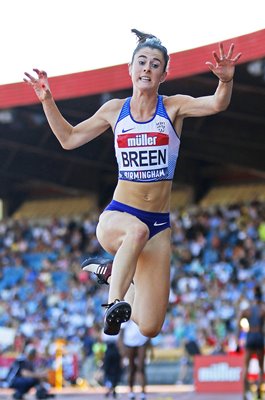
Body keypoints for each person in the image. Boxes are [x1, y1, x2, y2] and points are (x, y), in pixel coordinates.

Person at [24, 28, 241, 337]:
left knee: (150, 325)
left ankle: (111, 273)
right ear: (130, 69)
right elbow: (69, 138)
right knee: (135, 230)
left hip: (158, 226)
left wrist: (226, 80)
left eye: (155, 64)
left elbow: (217, 104)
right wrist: (47, 100)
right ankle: (113, 304)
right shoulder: (115, 110)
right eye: (141, 62)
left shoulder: (174, 107)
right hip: (118, 216)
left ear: (164, 74)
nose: (147, 69)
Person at [238, 285, 265, 400]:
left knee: (246, 367)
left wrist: (239, 337)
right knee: (260, 367)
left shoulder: (247, 310)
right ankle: (258, 391)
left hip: (250, 336)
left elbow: (238, 323)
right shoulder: (262, 310)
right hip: (259, 336)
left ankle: (244, 394)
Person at [119, 320, 152, 400]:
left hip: (142, 342)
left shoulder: (142, 312)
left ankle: (143, 393)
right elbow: (121, 333)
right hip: (129, 343)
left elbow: (149, 329)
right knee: (131, 369)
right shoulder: (127, 313)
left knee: (141, 368)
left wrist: (150, 347)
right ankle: (131, 391)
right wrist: (122, 350)